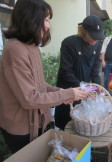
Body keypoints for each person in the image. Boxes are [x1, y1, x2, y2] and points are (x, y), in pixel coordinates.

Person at [0, 0, 88, 153]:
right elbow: (30, 98)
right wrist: (68, 93)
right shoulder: (15, 49)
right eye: (46, 19)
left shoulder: (31, 46)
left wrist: (61, 92)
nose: (48, 26)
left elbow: (39, 84)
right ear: (31, 18)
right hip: (22, 128)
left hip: (38, 121)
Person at [55, 15, 105, 130]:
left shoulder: (97, 45)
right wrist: (83, 87)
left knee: (81, 122)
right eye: (93, 36)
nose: (95, 40)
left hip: (84, 89)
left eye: (98, 37)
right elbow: (65, 71)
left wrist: (98, 86)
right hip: (67, 88)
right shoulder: (69, 43)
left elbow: (95, 69)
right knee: (65, 123)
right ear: (83, 31)